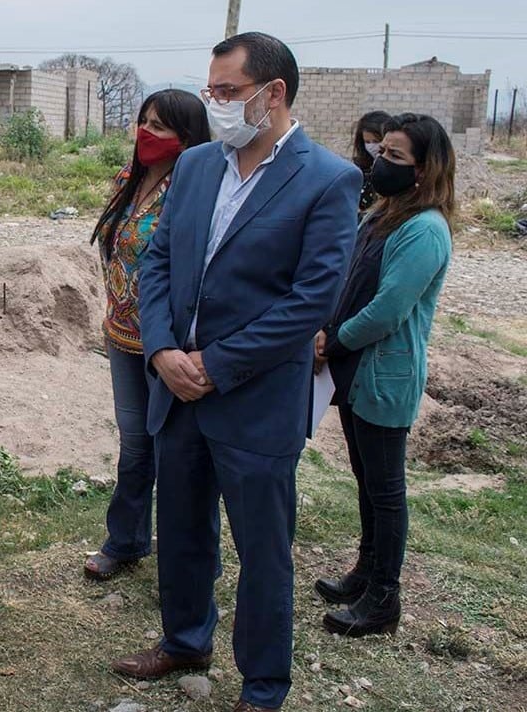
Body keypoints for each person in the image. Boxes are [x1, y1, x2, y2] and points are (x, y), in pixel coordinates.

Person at [117, 33, 361, 712]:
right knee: (183, 530)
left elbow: (311, 300)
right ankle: (185, 639)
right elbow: (158, 261)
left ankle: (262, 686)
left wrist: (216, 366)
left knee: (263, 553)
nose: (215, 103)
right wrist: (163, 351)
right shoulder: (197, 166)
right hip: (178, 389)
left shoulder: (328, 179)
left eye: (226, 91)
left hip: (253, 401)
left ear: (272, 93)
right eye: (211, 91)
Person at [313, 114, 454, 638]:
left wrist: (335, 339)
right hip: (356, 372)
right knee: (366, 480)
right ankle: (364, 572)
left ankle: (384, 599)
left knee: (386, 488)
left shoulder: (425, 229)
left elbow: (389, 309)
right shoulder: (385, 213)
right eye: (380, 153)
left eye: (395, 158)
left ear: (425, 170)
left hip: (384, 377)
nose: (380, 164)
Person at [82, 89, 211, 581]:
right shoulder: (127, 181)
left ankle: (184, 560)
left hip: (169, 344)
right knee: (134, 443)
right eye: (144, 122)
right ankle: (127, 540)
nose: (146, 133)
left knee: (175, 451)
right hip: (120, 333)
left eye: (160, 126)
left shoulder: (193, 190)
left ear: (188, 138)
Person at [352, 111, 393, 215]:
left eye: (376, 141)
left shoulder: (396, 170)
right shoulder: (360, 169)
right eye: (367, 142)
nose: (372, 147)